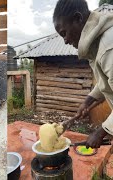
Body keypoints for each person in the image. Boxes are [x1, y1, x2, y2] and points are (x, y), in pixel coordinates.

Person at [53, 0, 113, 149]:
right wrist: (87, 101)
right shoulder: (99, 44)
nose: (65, 41)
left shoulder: (108, 47)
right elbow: (106, 81)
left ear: (78, 19)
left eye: (64, 33)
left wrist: (101, 132)